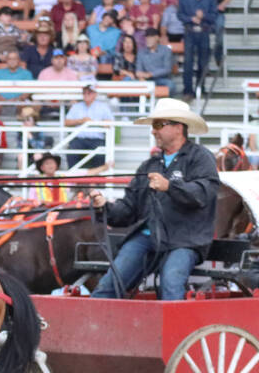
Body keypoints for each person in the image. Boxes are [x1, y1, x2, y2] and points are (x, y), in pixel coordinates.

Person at [88, 99, 219, 301]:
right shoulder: (149, 165)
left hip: (184, 240)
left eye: (158, 125)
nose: (153, 131)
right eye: (153, 126)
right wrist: (104, 206)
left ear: (177, 127)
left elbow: (203, 193)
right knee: (108, 285)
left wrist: (170, 186)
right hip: (148, 236)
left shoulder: (200, 157)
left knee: (171, 283)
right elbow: (129, 208)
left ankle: (176, 332)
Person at [64, 84, 113, 169]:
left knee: (100, 155)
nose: (86, 94)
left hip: (97, 139)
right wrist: (80, 121)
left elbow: (110, 123)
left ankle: (97, 179)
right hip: (79, 139)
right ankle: (71, 178)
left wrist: (92, 122)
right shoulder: (76, 106)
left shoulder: (103, 107)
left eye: (89, 92)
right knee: (71, 152)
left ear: (95, 94)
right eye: (84, 92)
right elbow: (66, 122)